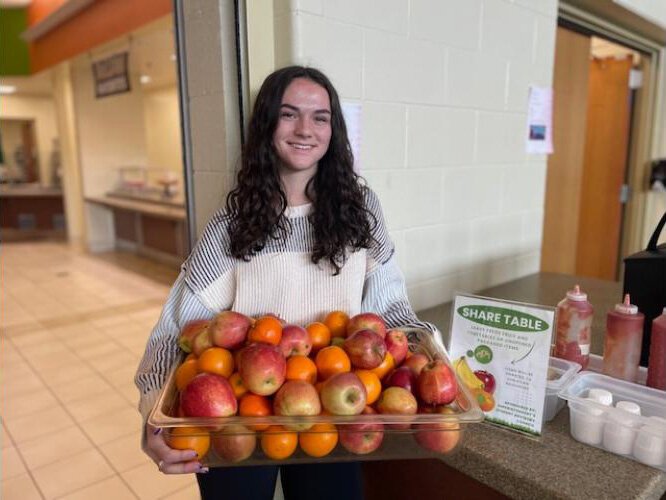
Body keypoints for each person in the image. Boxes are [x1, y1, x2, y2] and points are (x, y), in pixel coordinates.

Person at [135, 65, 433, 500]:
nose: (305, 129)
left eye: (320, 117)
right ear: (267, 124)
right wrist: (152, 417)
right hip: (241, 410)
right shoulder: (233, 225)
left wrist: (433, 357)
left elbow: (391, 310)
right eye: (289, 114)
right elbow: (174, 330)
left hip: (334, 413)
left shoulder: (361, 211)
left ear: (334, 130)